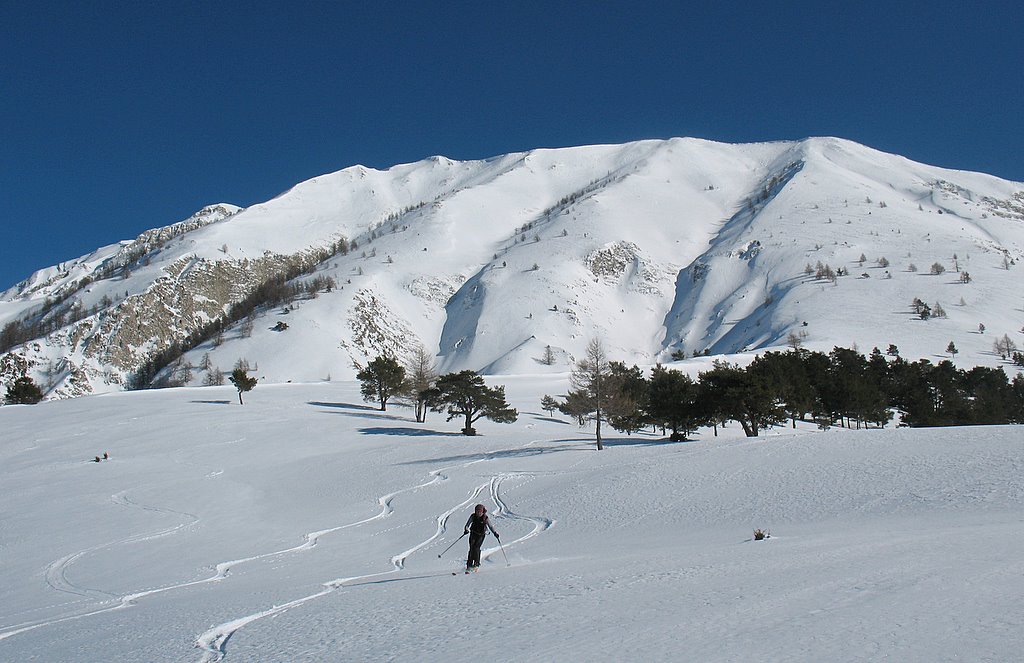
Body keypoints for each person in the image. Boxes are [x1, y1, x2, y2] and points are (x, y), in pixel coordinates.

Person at [463, 503, 499, 572]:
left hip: (481, 535)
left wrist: (495, 533)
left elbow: (490, 526)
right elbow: (467, 525)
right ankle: (469, 565)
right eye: (477, 511)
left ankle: (476, 564)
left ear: (482, 511)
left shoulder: (485, 518)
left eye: (479, 511)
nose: (478, 513)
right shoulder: (473, 516)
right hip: (473, 534)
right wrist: (466, 530)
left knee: (476, 548)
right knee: (471, 548)